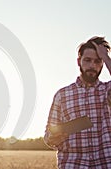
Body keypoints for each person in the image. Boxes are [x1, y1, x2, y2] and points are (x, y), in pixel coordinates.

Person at [44, 36, 111, 168]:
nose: (92, 66)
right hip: (73, 164)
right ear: (78, 61)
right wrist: (53, 137)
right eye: (87, 60)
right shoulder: (61, 95)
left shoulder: (107, 90)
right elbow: (48, 136)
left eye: (98, 61)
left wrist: (106, 56)